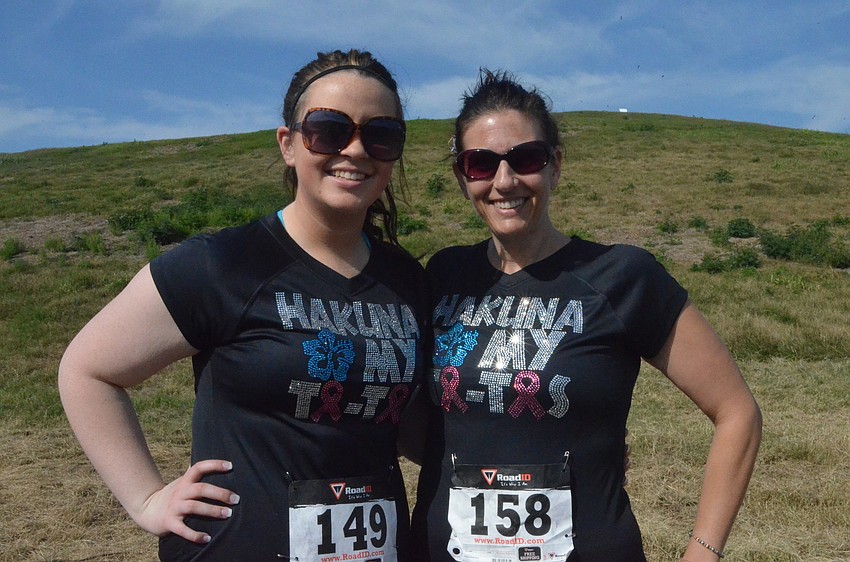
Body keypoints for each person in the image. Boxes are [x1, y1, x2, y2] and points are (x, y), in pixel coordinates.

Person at [58, 49, 429, 561]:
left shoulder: (407, 280)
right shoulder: (221, 264)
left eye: (381, 134)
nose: (356, 149)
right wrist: (146, 498)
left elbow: (404, 422)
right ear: (289, 144)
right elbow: (87, 371)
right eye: (328, 129)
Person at [408, 70, 762, 562]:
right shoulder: (443, 275)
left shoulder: (621, 276)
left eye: (526, 159)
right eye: (481, 163)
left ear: (554, 165)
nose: (504, 181)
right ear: (462, 175)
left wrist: (703, 551)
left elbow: (737, 411)